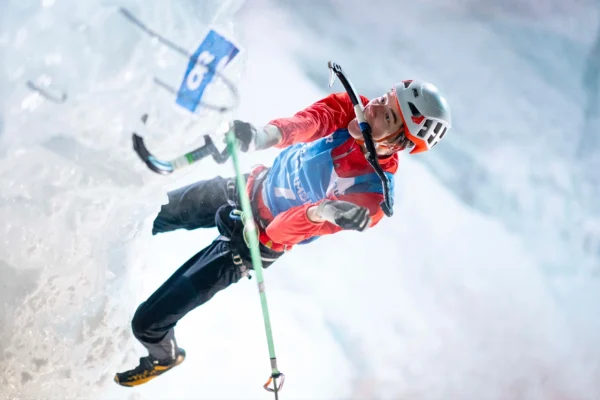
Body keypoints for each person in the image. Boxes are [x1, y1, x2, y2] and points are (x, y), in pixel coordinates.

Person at [114, 79, 452, 387]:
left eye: (388, 117)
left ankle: (165, 356)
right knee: (149, 215)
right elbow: (309, 123)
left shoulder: (371, 193)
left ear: (396, 145)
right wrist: (262, 136)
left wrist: (320, 213)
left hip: (250, 246)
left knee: (146, 323)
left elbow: (282, 230)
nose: (373, 108)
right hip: (245, 188)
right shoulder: (352, 108)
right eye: (383, 98)